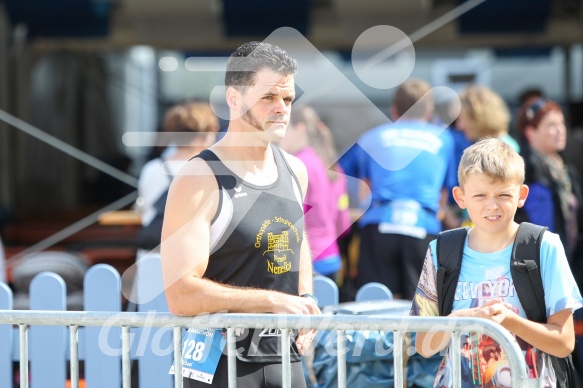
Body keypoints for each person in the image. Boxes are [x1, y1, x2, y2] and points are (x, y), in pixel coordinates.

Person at [160, 41, 320, 387]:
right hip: (221, 363)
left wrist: (305, 297)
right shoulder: (200, 177)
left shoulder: (295, 169)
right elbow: (180, 293)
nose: (281, 109)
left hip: (284, 355)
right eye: (268, 98)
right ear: (234, 99)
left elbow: (295, 240)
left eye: (288, 99)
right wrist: (270, 301)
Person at [411, 138, 583, 388]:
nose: (492, 205)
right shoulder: (441, 251)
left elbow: (564, 342)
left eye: (503, 194)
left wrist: (510, 322)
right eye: (480, 195)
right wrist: (464, 318)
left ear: (521, 195)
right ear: (460, 197)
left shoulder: (543, 246)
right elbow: (423, 345)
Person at [339, 78, 457, 300]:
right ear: (429, 111)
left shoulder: (371, 137)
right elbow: (443, 194)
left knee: (374, 306)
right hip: (423, 227)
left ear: (394, 110)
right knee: (422, 307)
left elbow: (340, 174)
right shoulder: (445, 140)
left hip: (378, 225)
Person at [136, 101, 219, 253]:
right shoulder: (211, 168)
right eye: (214, 129)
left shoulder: (151, 168)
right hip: (190, 255)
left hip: (151, 254)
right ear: (204, 134)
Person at [278, 106, 350, 283]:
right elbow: (344, 223)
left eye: (284, 127)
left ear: (300, 129)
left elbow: (289, 218)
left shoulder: (297, 165)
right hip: (331, 258)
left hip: (307, 261)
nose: (278, 135)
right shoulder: (333, 167)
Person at [515, 98, 582, 263]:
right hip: (538, 262)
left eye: (562, 123)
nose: (560, 130)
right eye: (551, 125)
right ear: (530, 132)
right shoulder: (523, 171)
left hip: (570, 260)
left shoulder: (566, 170)